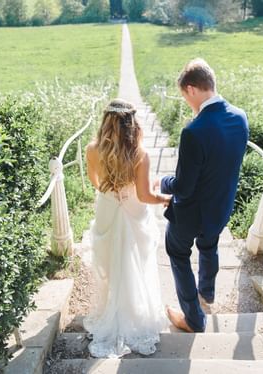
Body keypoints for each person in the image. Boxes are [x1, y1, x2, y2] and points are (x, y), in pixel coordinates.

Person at [156, 58, 249, 333]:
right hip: (220, 207)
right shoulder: (240, 116)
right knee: (209, 246)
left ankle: (194, 318)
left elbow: (183, 187)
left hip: (191, 213)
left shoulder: (194, 131)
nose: (186, 101)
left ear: (192, 89)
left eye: (185, 96)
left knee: (177, 252)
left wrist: (163, 181)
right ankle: (206, 293)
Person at [83, 98, 170, 358]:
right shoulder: (140, 155)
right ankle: (133, 312)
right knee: (135, 263)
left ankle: (110, 310)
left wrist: (113, 193)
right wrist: (164, 197)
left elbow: (95, 182)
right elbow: (144, 196)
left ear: (106, 121)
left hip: (108, 208)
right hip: (133, 211)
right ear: (132, 123)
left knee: (110, 262)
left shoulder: (92, 149)